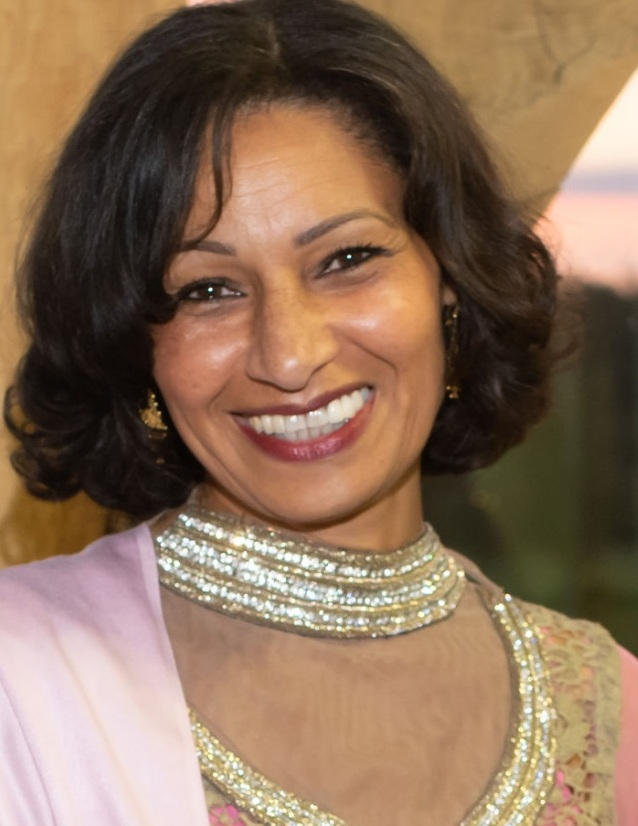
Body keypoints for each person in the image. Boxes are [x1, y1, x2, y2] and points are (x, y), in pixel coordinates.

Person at [1, 0, 637, 823]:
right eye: (208, 290)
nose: (290, 355)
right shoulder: (24, 679)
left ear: (448, 280)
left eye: (347, 259)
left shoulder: (608, 714)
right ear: (135, 345)